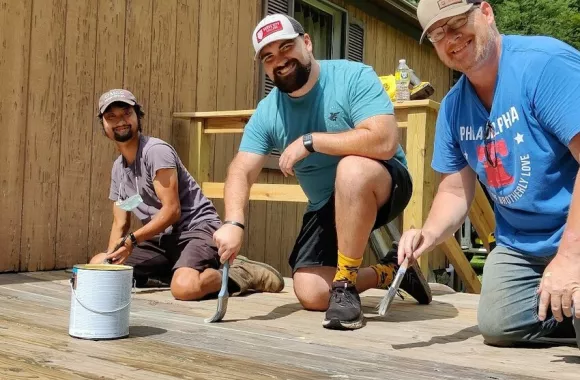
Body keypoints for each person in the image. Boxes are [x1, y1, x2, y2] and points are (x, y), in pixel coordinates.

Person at [212, 14, 432, 330]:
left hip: (382, 183)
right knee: (311, 292)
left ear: (307, 42)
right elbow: (241, 170)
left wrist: (311, 141)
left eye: (286, 47)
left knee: (351, 168)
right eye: (269, 56)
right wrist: (233, 222)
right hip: (326, 205)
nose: (279, 60)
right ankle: (391, 270)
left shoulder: (352, 76)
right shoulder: (268, 111)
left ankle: (344, 285)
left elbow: (384, 140)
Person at [399, 0, 580, 347]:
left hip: (573, 230)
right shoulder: (454, 107)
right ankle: (564, 311)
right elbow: (454, 191)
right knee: (498, 326)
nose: (451, 38)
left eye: (457, 23)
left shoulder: (543, 66)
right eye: (439, 34)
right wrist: (429, 234)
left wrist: (571, 256)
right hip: (520, 244)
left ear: (485, 12)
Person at [89, 89, 285, 301]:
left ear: (138, 115)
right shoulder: (118, 169)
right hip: (162, 240)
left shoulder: (155, 151)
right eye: (111, 117)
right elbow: (120, 223)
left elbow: (172, 211)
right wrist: (110, 263)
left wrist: (131, 242)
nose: (120, 121)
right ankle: (178, 270)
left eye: (126, 113)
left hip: (197, 229)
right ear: (104, 125)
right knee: (98, 264)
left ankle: (240, 273)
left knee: (184, 288)